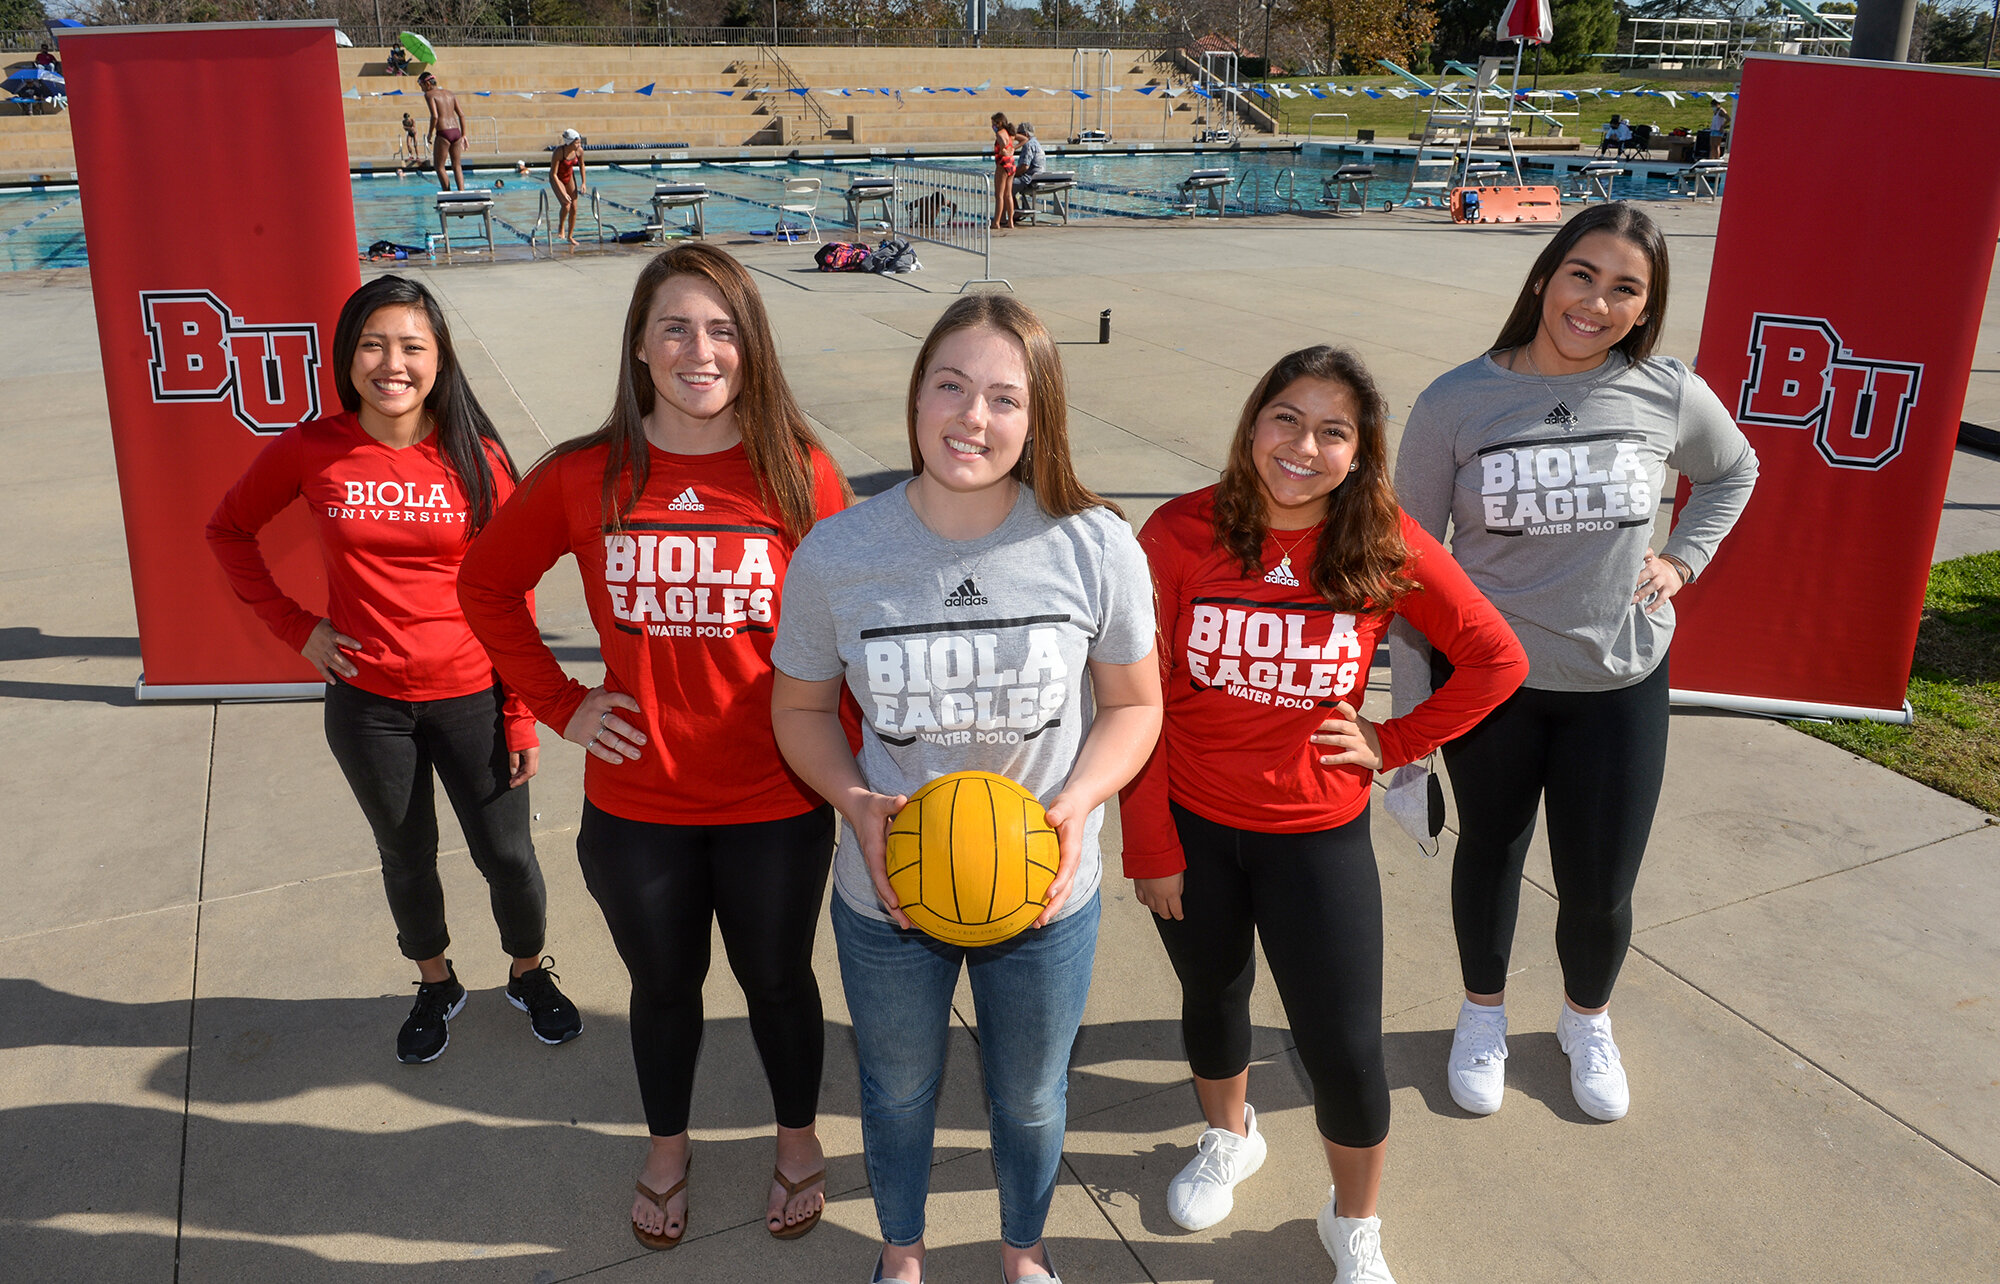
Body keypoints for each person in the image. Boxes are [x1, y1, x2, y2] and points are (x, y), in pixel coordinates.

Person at [457, 244, 853, 1252]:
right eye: (675, 326)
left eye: (722, 329)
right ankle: (668, 1146)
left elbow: (851, 630)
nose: (698, 349)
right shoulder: (585, 475)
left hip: (774, 800)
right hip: (640, 807)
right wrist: (561, 703)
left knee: (777, 983)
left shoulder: (799, 472)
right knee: (663, 987)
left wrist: (853, 779)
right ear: (638, 343)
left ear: (750, 349)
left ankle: (797, 1137)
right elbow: (484, 588)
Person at [770, 294, 1162, 1284]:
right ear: (915, 399)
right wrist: (854, 803)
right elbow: (802, 713)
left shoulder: (1096, 545)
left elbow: (1132, 707)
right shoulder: (838, 555)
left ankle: (1021, 1254)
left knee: (1028, 1096)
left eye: (1002, 397)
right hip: (889, 895)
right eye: (950, 385)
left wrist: (1077, 801)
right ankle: (901, 1254)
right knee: (896, 1089)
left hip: (1042, 894)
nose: (971, 418)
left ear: (1038, 418)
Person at [1119, 346, 1528, 1284]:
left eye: (1333, 431)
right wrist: (1150, 842)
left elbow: (1496, 659)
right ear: (1253, 423)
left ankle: (1353, 1221)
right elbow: (1139, 699)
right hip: (1193, 827)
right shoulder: (1178, 533)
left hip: (1315, 837)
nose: (1304, 446)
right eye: (1287, 419)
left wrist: (1395, 742)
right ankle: (1231, 1137)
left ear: (1360, 451)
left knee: (1342, 1046)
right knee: (1212, 1000)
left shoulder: (1382, 539)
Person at [1388, 202, 1759, 1124]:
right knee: (1491, 855)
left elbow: (1734, 470)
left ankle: (1585, 1021)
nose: (1595, 302)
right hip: (1493, 692)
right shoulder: (1455, 402)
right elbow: (1404, 563)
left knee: (1601, 886)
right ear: (1546, 277)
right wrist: (1408, 727)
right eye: (1582, 275)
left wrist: (1683, 560)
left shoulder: (1666, 391)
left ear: (1645, 306)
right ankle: (1482, 1016)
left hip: (1617, 687)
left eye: (1624, 288)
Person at [206, 275, 581, 1067]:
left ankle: (524, 972)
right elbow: (229, 530)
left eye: (412, 346)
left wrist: (519, 713)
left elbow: (512, 594)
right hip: (369, 706)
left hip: (472, 697)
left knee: (508, 857)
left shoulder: (477, 458)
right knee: (404, 855)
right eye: (373, 344)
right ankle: (436, 981)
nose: (392, 363)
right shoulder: (315, 449)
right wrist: (296, 628)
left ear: (439, 360)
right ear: (348, 358)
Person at [420, 71, 467, 192]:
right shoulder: (450, 93)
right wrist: (464, 135)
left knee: (439, 166)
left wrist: (430, 133)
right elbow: (461, 115)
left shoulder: (429, 95)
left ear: (428, 84)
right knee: (457, 165)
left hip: (444, 132)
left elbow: (435, 116)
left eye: (422, 86)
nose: (422, 90)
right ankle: (462, 192)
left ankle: (447, 193)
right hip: (456, 131)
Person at [550, 128, 588, 246]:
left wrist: (583, 183)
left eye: (579, 142)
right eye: (577, 142)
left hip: (569, 177)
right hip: (557, 178)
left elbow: (582, 165)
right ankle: (561, 226)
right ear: (569, 142)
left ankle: (570, 236)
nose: (579, 144)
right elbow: (554, 174)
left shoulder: (579, 151)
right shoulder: (559, 152)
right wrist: (563, 192)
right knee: (566, 205)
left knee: (574, 208)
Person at [990, 111, 1018, 230]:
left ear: (999, 123)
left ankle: (996, 222)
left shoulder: (1000, 134)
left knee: (999, 195)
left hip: (1002, 165)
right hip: (1011, 164)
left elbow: (1002, 144)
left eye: (994, 124)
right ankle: (1010, 222)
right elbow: (1024, 139)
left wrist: (1003, 150)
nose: (993, 126)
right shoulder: (1010, 133)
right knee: (1008, 194)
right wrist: (1013, 149)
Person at [1012, 120, 1046, 209]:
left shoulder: (1028, 145)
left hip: (1030, 180)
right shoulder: (1036, 143)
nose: (1016, 136)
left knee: (1005, 186)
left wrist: (1011, 174)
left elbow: (1024, 167)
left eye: (1018, 133)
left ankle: (1015, 213)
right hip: (1038, 177)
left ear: (1026, 134)